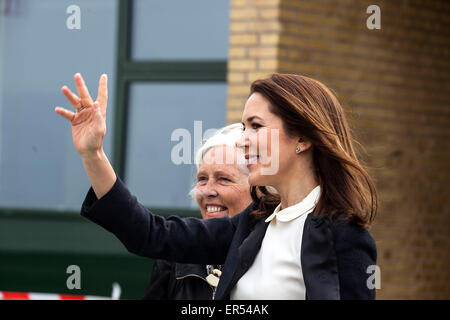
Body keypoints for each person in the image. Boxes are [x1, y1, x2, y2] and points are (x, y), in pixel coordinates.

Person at [55, 72, 377, 300]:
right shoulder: (252, 226)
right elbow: (150, 234)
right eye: (243, 126)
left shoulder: (343, 235)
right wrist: (93, 154)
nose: (244, 139)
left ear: (303, 138)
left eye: (256, 126)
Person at [143, 124, 252, 299]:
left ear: (259, 190)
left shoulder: (274, 255)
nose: (208, 191)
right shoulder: (175, 260)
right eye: (202, 179)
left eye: (223, 179)